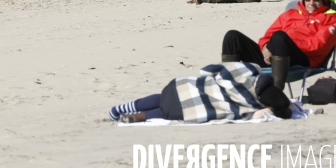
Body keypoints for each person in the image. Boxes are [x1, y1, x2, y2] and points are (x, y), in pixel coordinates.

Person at [221, 0, 336, 90]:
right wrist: (264, 48)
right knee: (232, 37)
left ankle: (276, 91)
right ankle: (231, 89)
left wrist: (286, 44)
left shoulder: (330, 20)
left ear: (324, 0)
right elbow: (267, 36)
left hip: (303, 59)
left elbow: (317, 45)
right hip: (273, 55)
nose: (311, 3)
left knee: (280, 37)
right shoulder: (290, 14)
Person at [108, 62, 292, 124]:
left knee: (164, 98)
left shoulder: (251, 70)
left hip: (189, 86)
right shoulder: (254, 105)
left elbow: (215, 69)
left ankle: (122, 108)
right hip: (195, 106)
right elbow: (243, 113)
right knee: (169, 111)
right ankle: (142, 116)